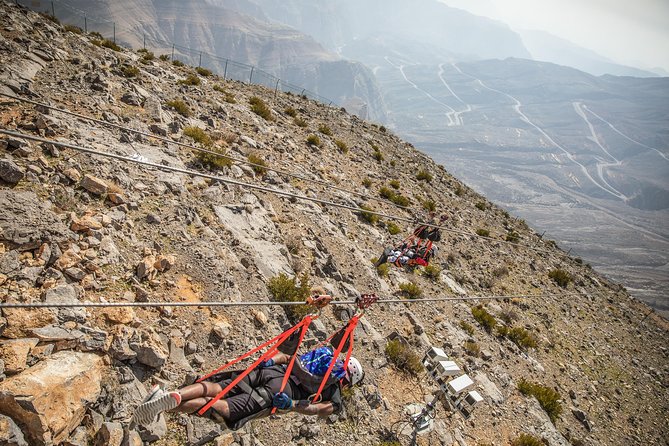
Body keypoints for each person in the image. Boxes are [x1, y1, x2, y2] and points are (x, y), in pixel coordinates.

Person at [132, 324, 364, 430]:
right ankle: (164, 407)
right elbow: (315, 410)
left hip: (271, 372)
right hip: (277, 393)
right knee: (220, 407)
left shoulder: (318, 358)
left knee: (214, 387)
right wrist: (292, 404)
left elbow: (286, 357)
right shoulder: (333, 390)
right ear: (347, 380)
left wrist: (270, 361)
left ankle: (171, 395)